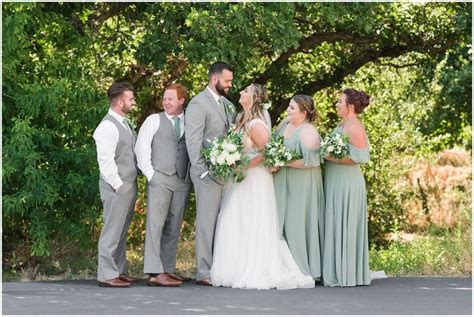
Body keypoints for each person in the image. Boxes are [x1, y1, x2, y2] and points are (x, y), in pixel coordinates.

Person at [210, 84, 314, 290]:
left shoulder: (256, 124)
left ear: (255, 98)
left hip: (254, 179)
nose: (241, 92)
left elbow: (268, 153)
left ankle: (254, 267)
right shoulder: (241, 119)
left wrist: (243, 165)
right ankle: (235, 268)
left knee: (249, 220)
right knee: (234, 219)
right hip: (240, 178)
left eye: (246, 91)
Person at [135, 84, 192, 287]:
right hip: (160, 178)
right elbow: (141, 147)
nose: (166, 102)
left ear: (181, 101)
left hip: (182, 180)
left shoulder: (190, 121)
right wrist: (151, 175)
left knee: (174, 226)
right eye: (164, 99)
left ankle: (167, 269)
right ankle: (154, 271)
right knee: (155, 225)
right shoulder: (153, 120)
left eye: (170, 99)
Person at [185, 62, 237, 286]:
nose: (230, 85)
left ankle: (221, 267)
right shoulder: (198, 104)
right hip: (207, 173)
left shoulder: (228, 105)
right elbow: (193, 141)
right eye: (227, 81)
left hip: (226, 172)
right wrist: (202, 172)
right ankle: (204, 271)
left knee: (223, 222)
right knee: (206, 223)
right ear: (214, 79)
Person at [272, 95, 325, 281]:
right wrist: (273, 161)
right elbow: (273, 147)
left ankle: (303, 269)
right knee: (281, 222)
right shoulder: (284, 125)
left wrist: (284, 161)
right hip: (281, 181)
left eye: (292, 108)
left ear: (303, 113)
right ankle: (284, 267)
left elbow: (312, 161)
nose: (288, 110)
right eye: (289, 106)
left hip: (302, 184)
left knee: (297, 223)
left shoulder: (308, 131)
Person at [322, 88, 371, 287]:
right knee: (336, 222)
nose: (337, 105)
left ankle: (348, 273)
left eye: (340, 102)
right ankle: (336, 270)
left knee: (346, 223)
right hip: (336, 180)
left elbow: (359, 158)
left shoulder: (355, 127)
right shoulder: (343, 124)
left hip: (348, 183)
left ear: (350, 106)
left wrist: (329, 156)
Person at [93, 82, 139, 288]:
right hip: (116, 187)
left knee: (121, 231)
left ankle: (118, 270)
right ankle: (106, 275)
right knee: (112, 230)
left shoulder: (123, 122)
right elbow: (105, 161)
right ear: (120, 102)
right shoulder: (107, 126)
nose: (133, 101)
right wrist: (119, 185)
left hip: (127, 185)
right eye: (130, 98)